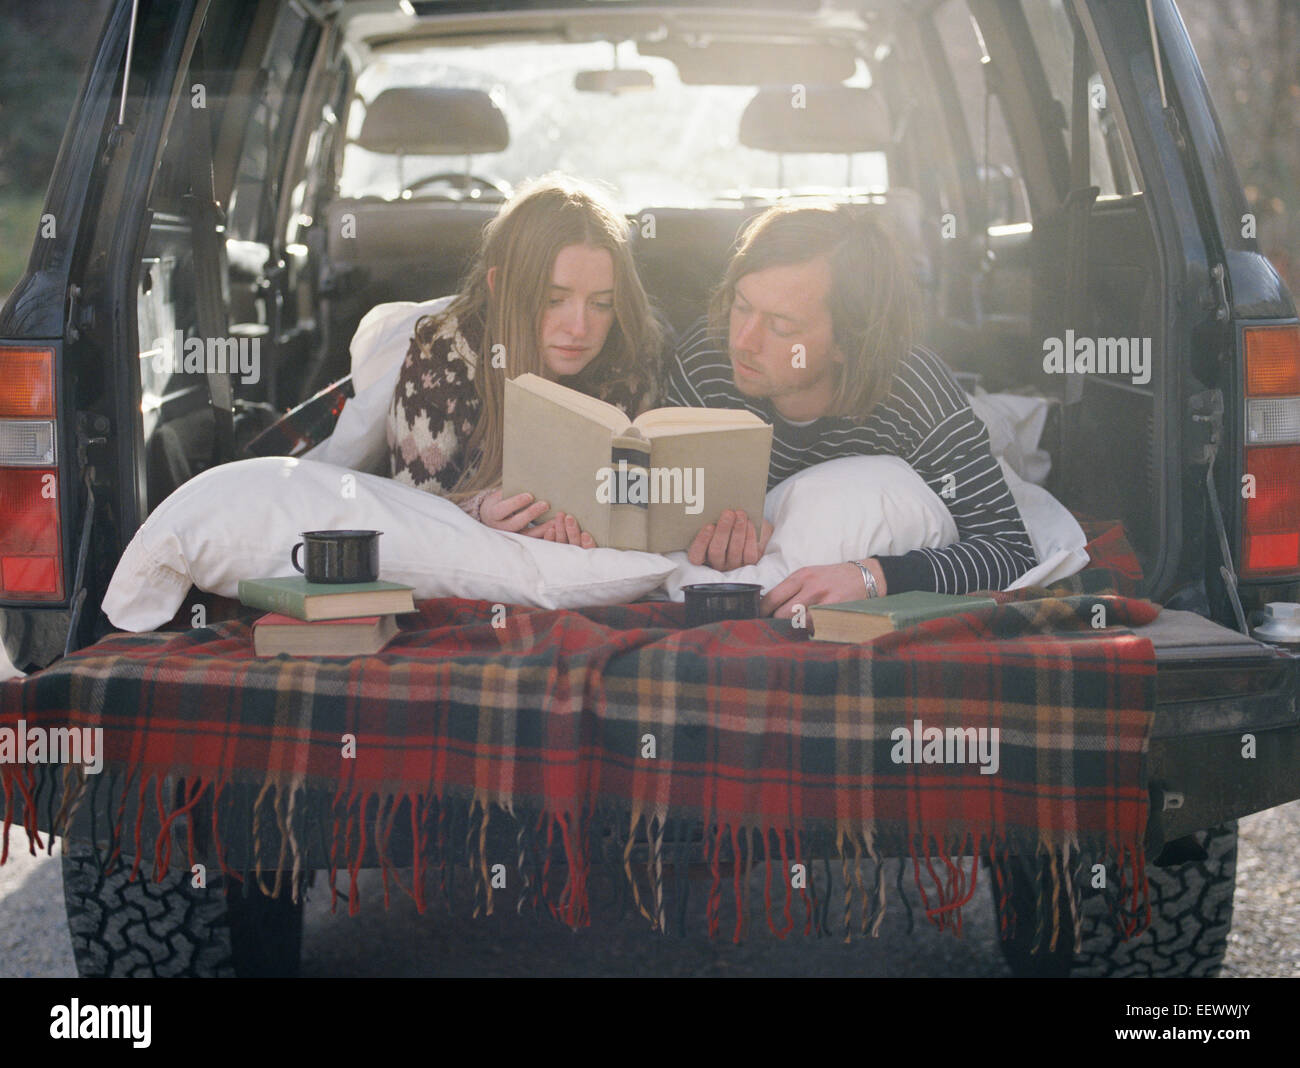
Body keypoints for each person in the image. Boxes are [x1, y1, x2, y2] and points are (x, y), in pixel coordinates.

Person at [664, 203, 1037, 616]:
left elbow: (1010, 551)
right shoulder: (706, 359)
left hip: (964, 425)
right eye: (741, 305)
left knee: (1015, 426)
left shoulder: (914, 390)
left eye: (781, 327)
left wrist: (873, 576)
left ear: (847, 341)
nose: (743, 341)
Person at [387, 174, 662, 546]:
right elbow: (413, 514)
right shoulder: (443, 356)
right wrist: (479, 514)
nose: (580, 328)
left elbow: (640, 504)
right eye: (553, 299)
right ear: (500, 287)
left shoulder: (630, 351)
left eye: (602, 303)